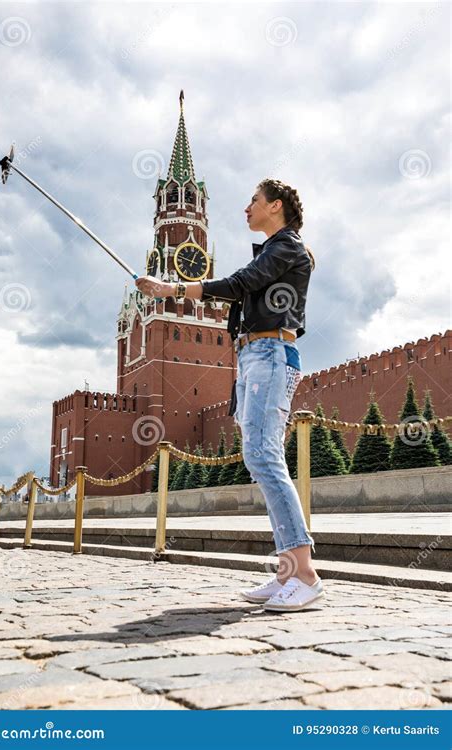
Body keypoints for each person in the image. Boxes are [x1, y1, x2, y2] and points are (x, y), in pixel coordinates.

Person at [135, 178, 323, 613]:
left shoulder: (288, 248)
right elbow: (242, 295)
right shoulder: (275, 251)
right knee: (259, 457)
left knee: (265, 457)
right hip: (255, 355)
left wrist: (172, 290)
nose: (246, 208)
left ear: (275, 207)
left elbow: (241, 283)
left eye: (253, 201)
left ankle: (306, 574)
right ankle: (287, 573)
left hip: (271, 354)